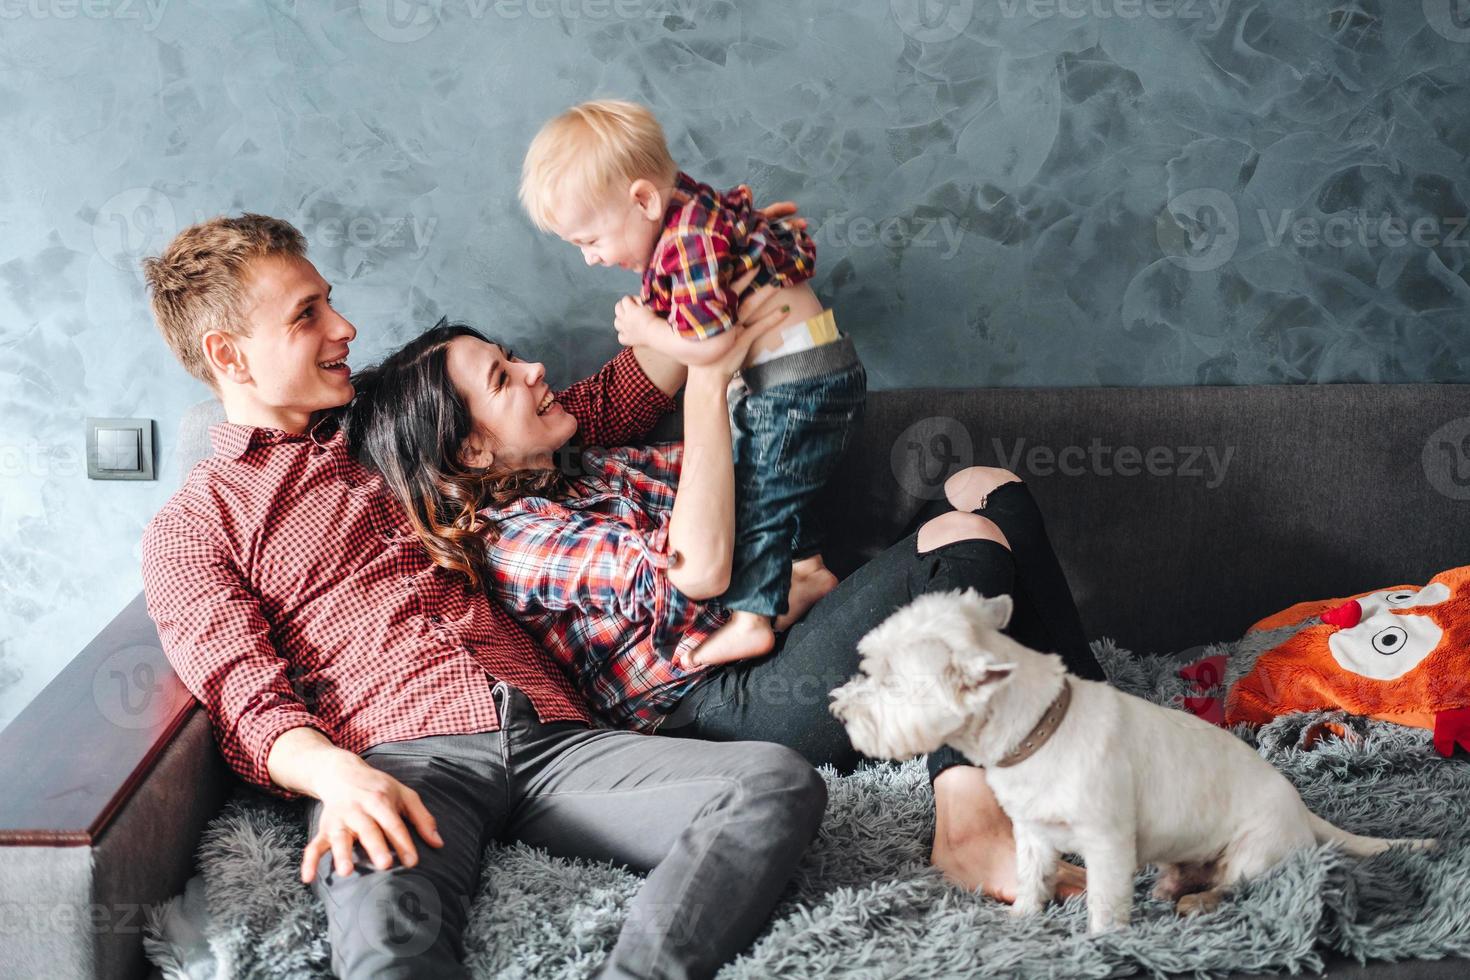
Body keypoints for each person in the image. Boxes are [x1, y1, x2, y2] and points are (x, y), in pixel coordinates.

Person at [138, 212, 829, 979]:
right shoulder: (196, 523)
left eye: (328, 300)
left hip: (558, 737)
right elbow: (240, 688)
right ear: (227, 355)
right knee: (390, 944)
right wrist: (336, 776)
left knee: (773, 782)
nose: (345, 326)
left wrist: (701, 260)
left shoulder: (391, 419)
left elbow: (585, 415)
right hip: (398, 760)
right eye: (308, 316)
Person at [352, 321, 1113, 908]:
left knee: (986, 487)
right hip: (721, 714)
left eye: (512, 356)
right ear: (476, 450)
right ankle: (968, 828)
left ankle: (1091, 738)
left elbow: (749, 485)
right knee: (965, 546)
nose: (535, 369)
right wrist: (706, 384)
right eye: (504, 377)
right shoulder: (516, 542)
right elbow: (690, 578)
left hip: (766, 649)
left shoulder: (592, 469)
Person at [519, 99, 866, 668]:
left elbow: (713, 347)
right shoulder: (689, 211)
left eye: (590, 240)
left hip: (797, 384)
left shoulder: (687, 244)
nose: (589, 259)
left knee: (759, 493)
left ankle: (753, 618)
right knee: (771, 476)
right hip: (801, 374)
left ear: (642, 200)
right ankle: (803, 570)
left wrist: (647, 327)